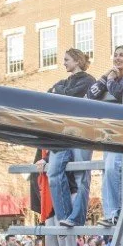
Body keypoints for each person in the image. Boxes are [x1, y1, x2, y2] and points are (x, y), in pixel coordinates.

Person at [88, 45, 123, 226]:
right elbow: (90, 95)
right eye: (115, 55)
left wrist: (111, 80)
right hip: (109, 132)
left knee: (115, 168)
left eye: (122, 55)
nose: (118, 58)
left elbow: (120, 93)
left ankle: (119, 212)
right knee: (108, 170)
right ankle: (111, 212)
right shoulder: (110, 77)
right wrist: (105, 76)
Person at [45, 48, 98, 229]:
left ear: (76, 60)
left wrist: (57, 92)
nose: (64, 62)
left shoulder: (88, 80)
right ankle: (64, 216)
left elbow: (66, 96)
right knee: (53, 172)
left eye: (67, 59)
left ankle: (76, 217)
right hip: (62, 134)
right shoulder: (64, 82)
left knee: (81, 174)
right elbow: (49, 93)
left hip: (81, 133)